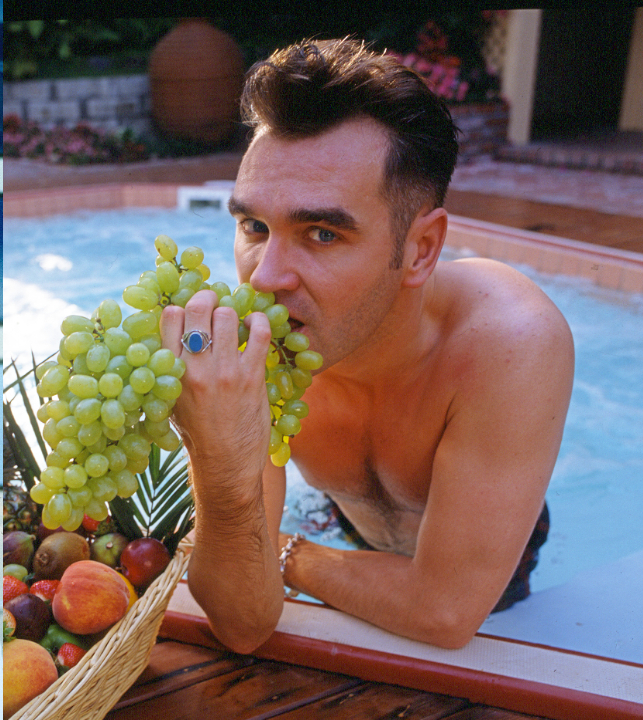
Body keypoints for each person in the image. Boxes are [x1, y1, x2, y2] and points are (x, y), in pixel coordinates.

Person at [160, 38, 574, 652]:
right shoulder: (260, 349)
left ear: (422, 249)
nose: (266, 277)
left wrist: (285, 554)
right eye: (254, 227)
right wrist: (219, 462)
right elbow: (244, 625)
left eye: (322, 233)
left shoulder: (508, 343)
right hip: (345, 534)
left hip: (498, 576)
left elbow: (445, 613)